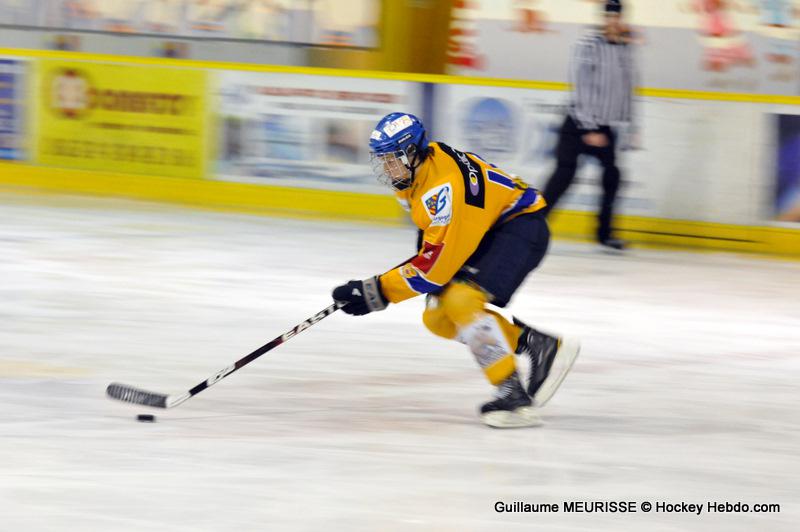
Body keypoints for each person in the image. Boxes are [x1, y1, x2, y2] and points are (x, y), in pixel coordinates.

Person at [332, 113, 580, 429]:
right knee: (437, 317)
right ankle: (537, 345)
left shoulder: (442, 188)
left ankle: (513, 394)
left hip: (520, 227)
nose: (387, 168)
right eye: (382, 160)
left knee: (460, 301)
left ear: (413, 152)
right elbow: (433, 243)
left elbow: (433, 270)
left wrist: (376, 291)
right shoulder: (416, 174)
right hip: (487, 229)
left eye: (393, 159)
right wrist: (381, 287)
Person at [542, 0, 637, 250]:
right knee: (563, 175)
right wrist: (588, 128)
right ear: (604, 18)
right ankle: (533, 226)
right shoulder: (588, 45)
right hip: (578, 124)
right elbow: (579, 85)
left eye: (617, 16)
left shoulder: (625, 50)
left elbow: (627, 90)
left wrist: (630, 127)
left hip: (605, 127)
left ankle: (604, 234)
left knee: (612, 176)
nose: (613, 21)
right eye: (609, 16)